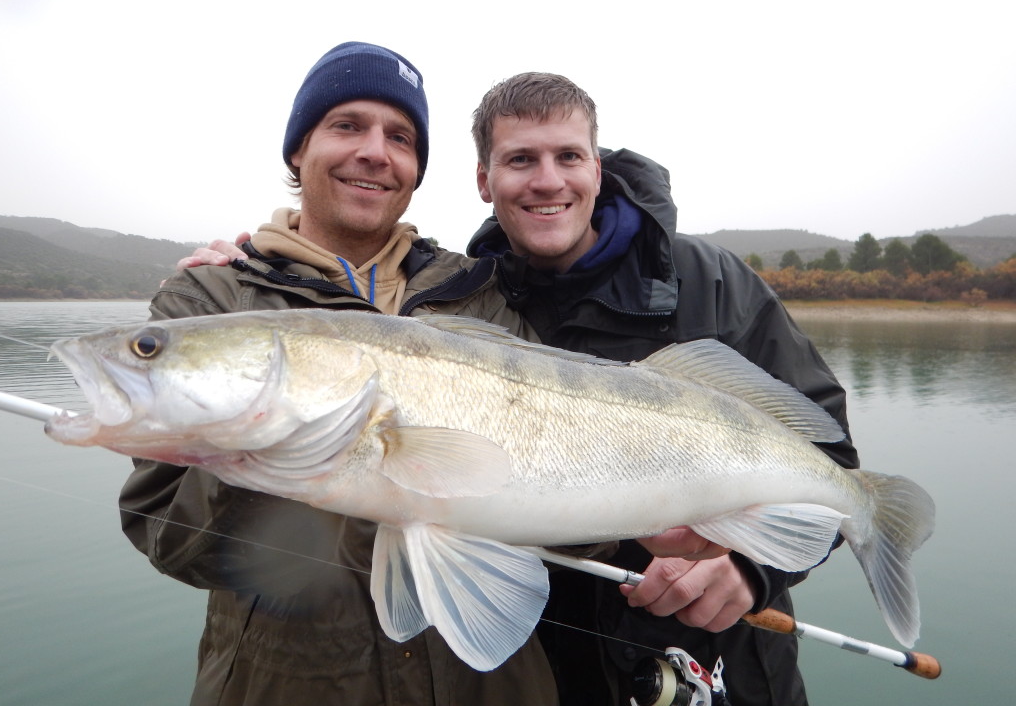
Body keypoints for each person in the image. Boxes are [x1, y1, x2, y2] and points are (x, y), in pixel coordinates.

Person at [186, 73, 859, 706]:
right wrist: (250, 281)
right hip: (556, 666)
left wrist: (751, 570)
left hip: (714, 665)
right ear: (483, 179)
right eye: (519, 160)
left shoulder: (709, 280)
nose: (547, 181)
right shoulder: (477, 295)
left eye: (569, 156)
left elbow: (824, 459)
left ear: (599, 166)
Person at [119, 42, 557, 706]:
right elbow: (170, 538)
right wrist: (270, 447)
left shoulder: (481, 295)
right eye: (347, 125)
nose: (376, 152)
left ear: (415, 168)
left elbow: (565, 473)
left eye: (400, 137)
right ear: (298, 151)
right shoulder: (210, 300)